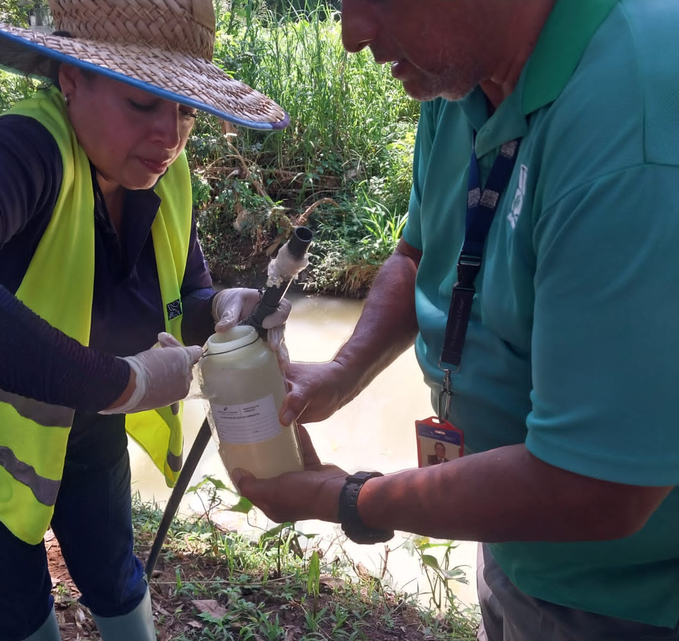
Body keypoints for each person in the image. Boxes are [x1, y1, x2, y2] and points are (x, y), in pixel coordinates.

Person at [0, 0, 292, 640]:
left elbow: (182, 294)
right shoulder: (27, 152)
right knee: (17, 605)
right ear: (71, 79)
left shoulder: (163, 170)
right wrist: (118, 384)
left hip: (87, 421)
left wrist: (220, 310)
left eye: (185, 110)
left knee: (114, 573)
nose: (170, 135)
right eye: (142, 102)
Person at [233, 0, 679, 638]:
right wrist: (340, 372)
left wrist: (351, 498)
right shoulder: (459, 80)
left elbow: (600, 487)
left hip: (626, 603)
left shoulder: (632, 126)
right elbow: (419, 254)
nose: (351, 35)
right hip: (509, 537)